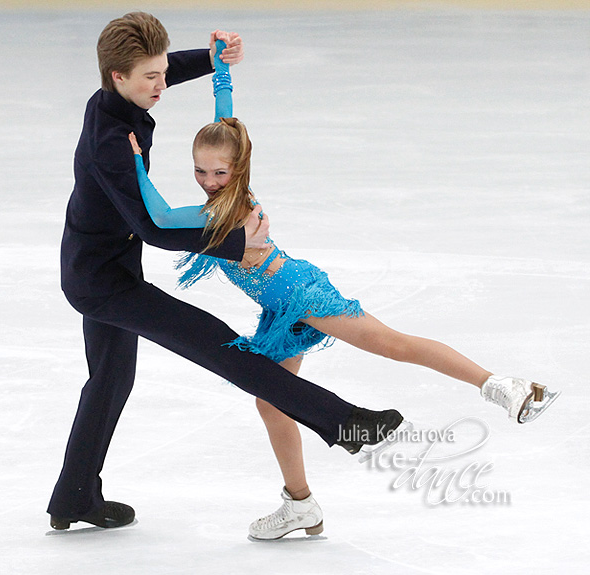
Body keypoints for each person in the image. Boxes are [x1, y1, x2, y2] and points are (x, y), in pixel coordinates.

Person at [127, 41, 561, 540]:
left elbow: (158, 218)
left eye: (219, 172)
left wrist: (136, 165)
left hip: (301, 294)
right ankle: (300, 505)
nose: (208, 181)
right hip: (278, 310)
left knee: (391, 344)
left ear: (239, 169)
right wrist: (221, 75)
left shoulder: (223, 208)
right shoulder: (225, 182)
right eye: (200, 171)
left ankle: (505, 388)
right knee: (270, 401)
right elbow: (228, 124)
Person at [49, 12, 406, 533]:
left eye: (162, 71)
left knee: (110, 378)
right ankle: (343, 422)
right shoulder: (109, 143)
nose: (162, 84)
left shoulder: (112, 99)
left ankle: (73, 497)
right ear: (117, 77)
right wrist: (236, 244)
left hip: (101, 266)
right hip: (102, 283)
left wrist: (211, 59)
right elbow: (152, 226)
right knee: (220, 344)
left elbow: (164, 68)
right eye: (150, 77)